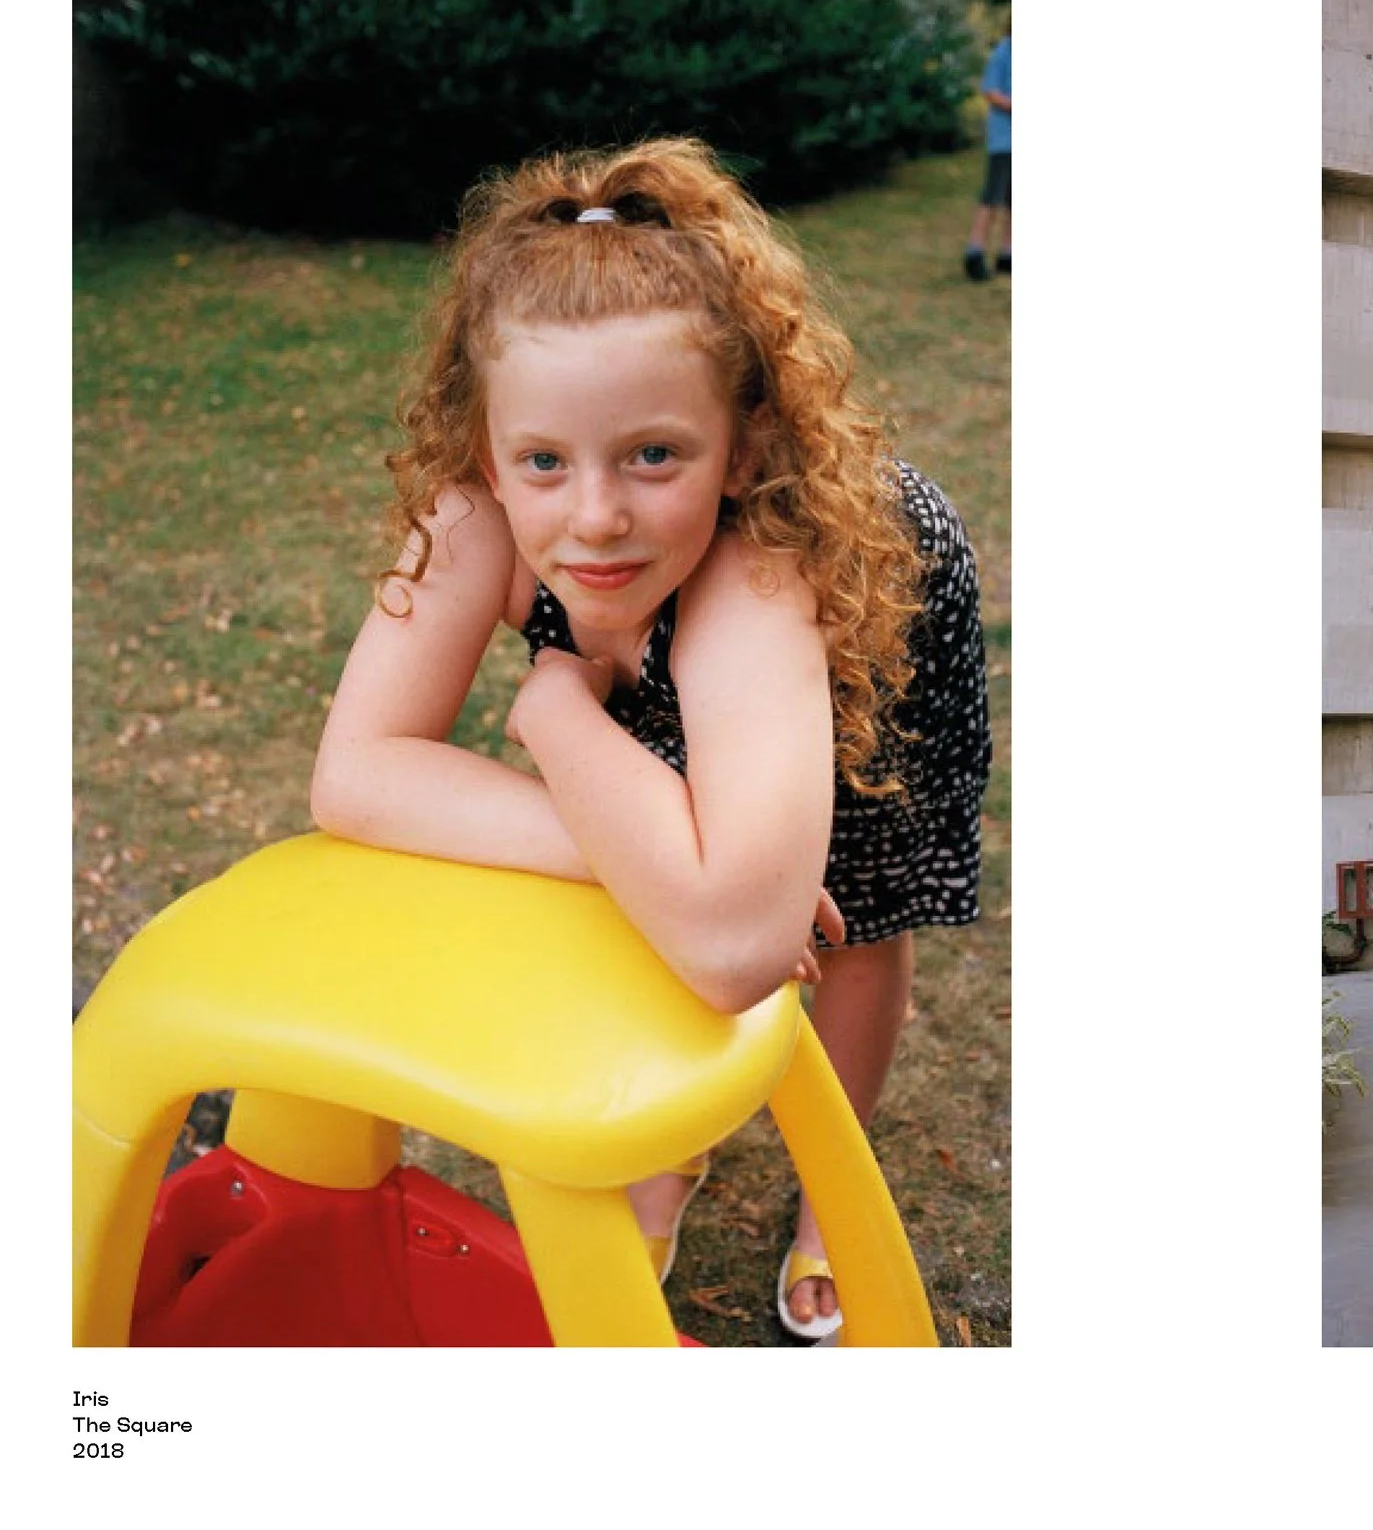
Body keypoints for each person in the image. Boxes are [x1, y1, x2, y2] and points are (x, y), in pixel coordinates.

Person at [312, 138, 992, 1341]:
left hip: (871, 625)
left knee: (861, 905)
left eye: (655, 454)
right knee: (672, 861)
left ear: (743, 446)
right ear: (487, 452)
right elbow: (355, 774)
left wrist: (555, 710)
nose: (596, 517)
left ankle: (830, 1200)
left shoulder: (766, 568)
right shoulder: (471, 511)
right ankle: (670, 1149)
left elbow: (739, 940)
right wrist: (641, 850)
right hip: (694, 668)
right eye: (542, 461)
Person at [963, 27, 1011, 280]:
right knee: (991, 199)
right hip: (1004, 141)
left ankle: (1007, 254)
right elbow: (990, 91)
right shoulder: (1003, 52)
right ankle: (974, 253)